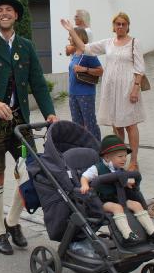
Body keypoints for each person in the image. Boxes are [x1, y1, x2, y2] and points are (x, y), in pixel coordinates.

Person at [0, 0, 57, 255]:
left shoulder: (26, 45)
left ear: (16, 16)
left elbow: (38, 83)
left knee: (31, 172)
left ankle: (13, 221)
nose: (4, 13)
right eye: (0, 10)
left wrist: (50, 113)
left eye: (9, 10)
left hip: (19, 121)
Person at [62, 12, 145, 170]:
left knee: (130, 125)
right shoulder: (108, 43)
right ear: (113, 26)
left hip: (128, 88)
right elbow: (85, 48)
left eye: (124, 24)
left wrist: (135, 88)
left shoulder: (134, 43)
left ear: (128, 26)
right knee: (117, 125)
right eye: (118, 24)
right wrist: (72, 30)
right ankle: (120, 159)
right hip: (111, 89)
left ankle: (134, 161)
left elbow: (140, 69)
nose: (120, 26)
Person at [80, 135, 154, 245]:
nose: (124, 159)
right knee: (117, 208)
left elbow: (121, 181)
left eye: (125, 156)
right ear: (107, 158)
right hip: (102, 201)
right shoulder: (97, 168)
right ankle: (127, 235)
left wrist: (127, 183)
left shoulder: (119, 169)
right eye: (120, 156)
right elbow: (84, 176)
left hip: (119, 197)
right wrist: (84, 185)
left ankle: (152, 232)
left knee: (136, 205)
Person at [66, 27, 103, 141]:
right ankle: (82, 147)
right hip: (73, 94)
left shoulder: (88, 53)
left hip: (85, 94)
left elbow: (100, 71)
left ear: (78, 37)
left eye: (71, 36)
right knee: (77, 124)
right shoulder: (75, 53)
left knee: (90, 123)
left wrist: (85, 69)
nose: (69, 38)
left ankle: (97, 147)